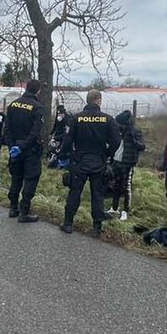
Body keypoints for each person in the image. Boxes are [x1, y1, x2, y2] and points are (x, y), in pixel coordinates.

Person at [59, 89, 121, 237]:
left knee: (75, 192)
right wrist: (107, 154)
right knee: (97, 194)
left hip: (80, 161)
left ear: (87, 101)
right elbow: (116, 141)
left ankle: (68, 223)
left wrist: (63, 155)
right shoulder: (108, 119)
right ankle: (96, 228)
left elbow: (68, 140)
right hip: (98, 161)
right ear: (98, 101)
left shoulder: (77, 118)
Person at [2, 79, 46, 223]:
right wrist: (23, 146)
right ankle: (24, 211)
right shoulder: (37, 107)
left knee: (16, 178)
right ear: (38, 91)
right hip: (29, 150)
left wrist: (12, 146)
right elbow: (35, 132)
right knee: (31, 178)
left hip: (15, 149)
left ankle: (13, 207)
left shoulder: (13, 104)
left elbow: (6, 129)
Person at [108, 110, 146, 221]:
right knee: (116, 185)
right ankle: (114, 208)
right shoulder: (117, 132)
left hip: (128, 163)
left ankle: (125, 211)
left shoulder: (134, 132)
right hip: (117, 161)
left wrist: (134, 141)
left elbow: (142, 146)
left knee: (126, 187)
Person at [48, 104, 69, 168]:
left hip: (63, 136)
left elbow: (67, 128)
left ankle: (59, 162)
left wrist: (65, 135)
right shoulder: (58, 117)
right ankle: (53, 160)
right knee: (53, 148)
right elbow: (55, 125)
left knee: (60, 148)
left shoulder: (67, 117)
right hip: (57, 135)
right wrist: (51, 133)